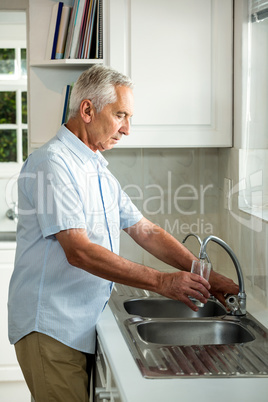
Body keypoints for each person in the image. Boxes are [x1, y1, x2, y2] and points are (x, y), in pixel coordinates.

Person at [8, 65, 239, 402]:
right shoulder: (52, 163)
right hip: (51, 327)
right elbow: (79, 251)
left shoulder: (96, 168)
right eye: (120, 115)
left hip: (80, 322)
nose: (127, 129)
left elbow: (145, 231)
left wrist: (210, 277)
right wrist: (163, 282)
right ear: (87, 110)